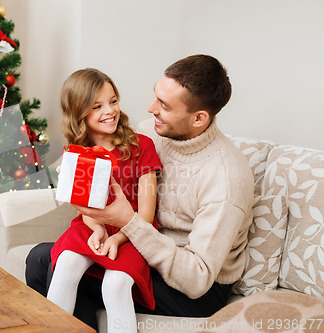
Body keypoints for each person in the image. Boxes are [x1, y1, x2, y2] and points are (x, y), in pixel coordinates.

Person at [26, 55, 254, 330]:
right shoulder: (154, 133)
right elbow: (110, 159)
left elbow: (196, 280)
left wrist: (127, 224)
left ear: (199, 118)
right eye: (156, 96)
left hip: (191, 285)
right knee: (43, 258)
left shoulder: (226, 180)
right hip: (142, 245)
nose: (150, 108)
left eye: (164, 105)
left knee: (49, 264)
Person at [47, 68, 162, 333]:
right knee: (65, 264)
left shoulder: (142, 146)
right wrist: (98, 229)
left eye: (113, 101)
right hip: (93, 225)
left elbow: (146, 215)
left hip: (134, 232)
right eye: (97, 106)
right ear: (79, 114)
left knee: (116, 284)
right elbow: (86, 207)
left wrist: (117, 238)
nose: (109, 111)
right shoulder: (77, 152)